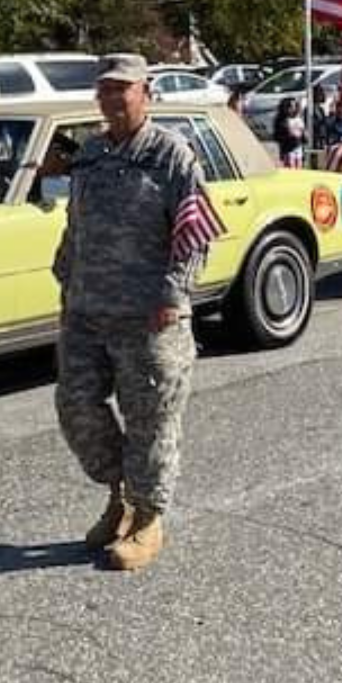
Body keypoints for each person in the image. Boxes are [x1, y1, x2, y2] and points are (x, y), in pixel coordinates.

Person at [52, 52, 222, 571]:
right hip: (86, 310)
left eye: (120, 88)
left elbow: (194, 234)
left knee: (150, 418)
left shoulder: (170, 156)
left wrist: (172, 296)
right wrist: (65, 278)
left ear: (144, 92)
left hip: (149, 317)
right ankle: (119, 496)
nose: (110, 97)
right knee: (76, 407)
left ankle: (148, 520)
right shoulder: (90, 153)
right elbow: (75, 225)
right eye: (103, 88)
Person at [272, 96, 306, 168]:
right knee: (290, 167)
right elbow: (278, 136)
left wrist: (303, 135)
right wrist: (290, 134)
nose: (293, 108)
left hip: (298, 147)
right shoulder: (281, 120)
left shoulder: (298, 118)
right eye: (291, 106)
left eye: (295, 106)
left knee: (299, 167)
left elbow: (302, 131)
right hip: (288, 149)